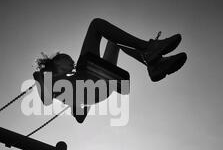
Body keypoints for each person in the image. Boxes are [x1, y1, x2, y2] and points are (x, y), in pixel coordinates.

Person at [34, 18, 187, 122]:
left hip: (101, 87)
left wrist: (79, 107)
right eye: (68, 60)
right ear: (58, 62)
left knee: (113, 41)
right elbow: (46, 100)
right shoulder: (51, 78)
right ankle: (148, 48)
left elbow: (80, 116)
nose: (72, 62)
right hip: (94, 81)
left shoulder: (68, 85)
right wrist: (39, 78)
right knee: (96, 25)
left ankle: (154, 64)